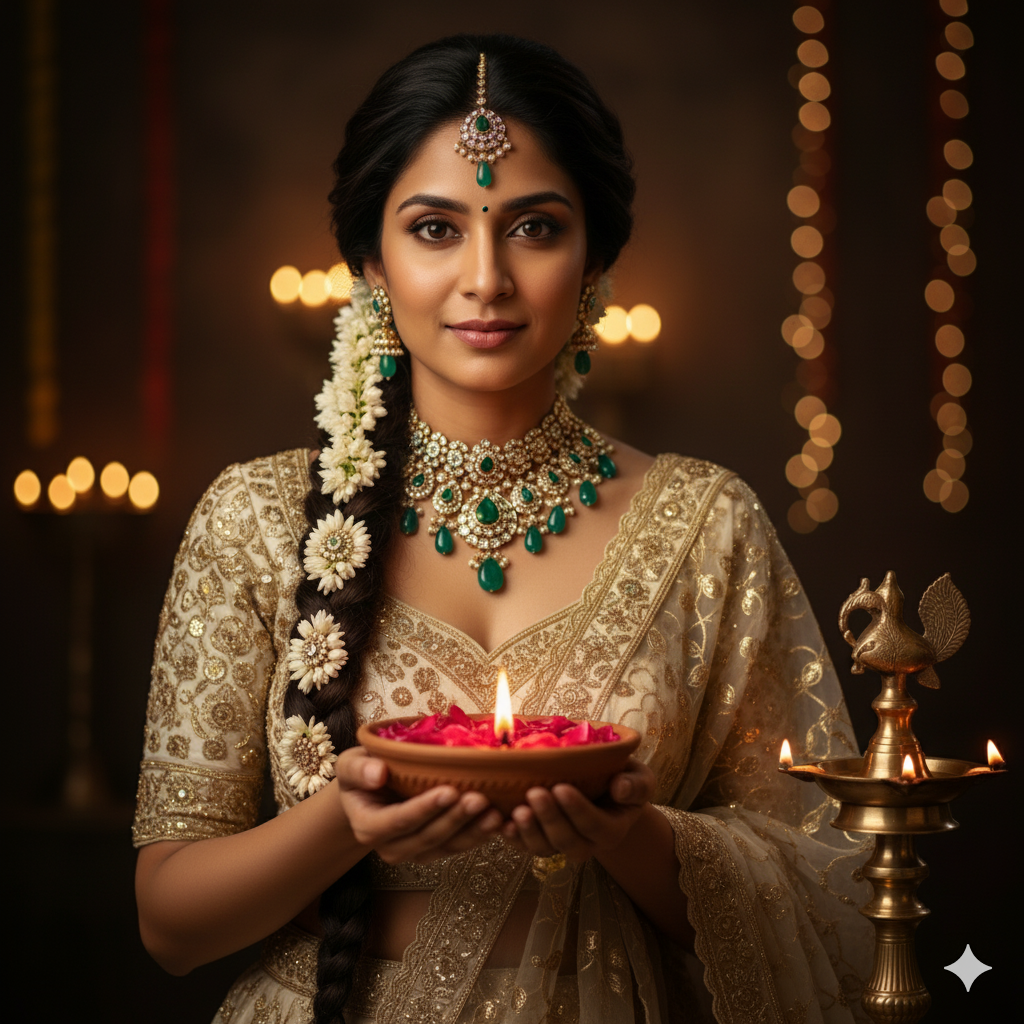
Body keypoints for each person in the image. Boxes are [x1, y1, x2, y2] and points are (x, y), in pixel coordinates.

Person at [133, 34, 874, 1024]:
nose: (485, 278)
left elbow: (828, 898)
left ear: (597, 255)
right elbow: (170, 920)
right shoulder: (258, 521)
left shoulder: (707, 525)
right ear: (369, 260)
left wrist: (628, 834)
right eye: (435, 229)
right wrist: (343, 826)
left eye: (532, 227)